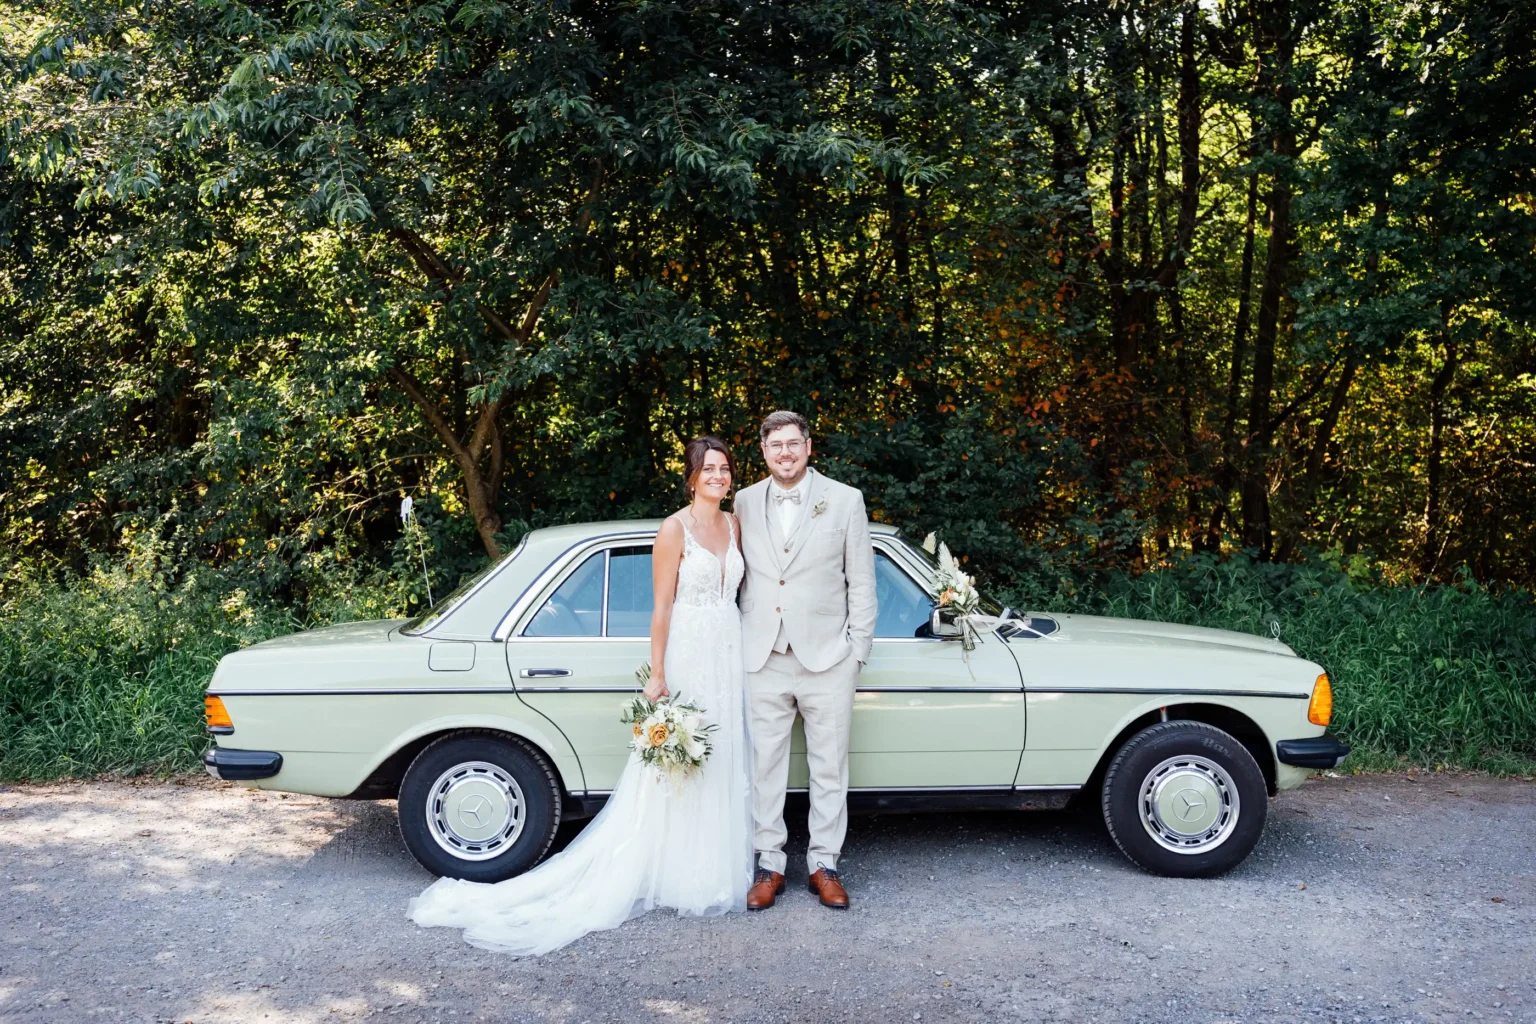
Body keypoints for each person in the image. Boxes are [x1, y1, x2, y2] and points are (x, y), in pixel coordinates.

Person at [407, 437, 752, 954]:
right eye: (709, 469)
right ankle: (680, 875)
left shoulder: (733, 524)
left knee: (722, 756)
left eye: (725, 469)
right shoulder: (673, 528)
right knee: (681, 766)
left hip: (730, 651)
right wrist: (658, 675)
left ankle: (716, 869)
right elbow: (662, 608)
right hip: (691, 653)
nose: (719, 477)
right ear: (691, 476)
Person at [733, 410, 876, 909]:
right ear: (764, 452)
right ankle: (768, 865)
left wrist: (856, 651)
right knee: (763, 766)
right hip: (764, 655)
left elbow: (861, 580)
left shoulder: (845, 500)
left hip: (828, 657)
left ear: (809, 447)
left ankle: (825, 864)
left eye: (793, 444)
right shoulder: (745, 501)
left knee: (830, 767)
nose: (785, 453)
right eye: (776, 446)